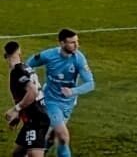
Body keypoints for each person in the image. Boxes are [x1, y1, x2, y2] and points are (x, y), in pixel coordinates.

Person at [25, 28, 93, 157]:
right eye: (72, 42)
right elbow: (29, 64)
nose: (76, 45)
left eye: (77, 41)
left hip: (68, 103)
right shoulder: (49, 55)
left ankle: (35, 153)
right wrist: (30, 83)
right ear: (62, 43)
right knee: (63, 136)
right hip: (51, 101)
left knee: (53, 137)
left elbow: (90, 83)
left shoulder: (79, 59)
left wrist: (73, 91)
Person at [3, 40, 48, 157]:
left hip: (36, 120)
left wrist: (16, 109)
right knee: (17, 154)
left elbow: (32, 92)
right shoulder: (26, 67)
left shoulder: (17, 71)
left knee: (33, 154)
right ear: (19, 52)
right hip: (33, 118)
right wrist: (19, 115)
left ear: (5, 56)